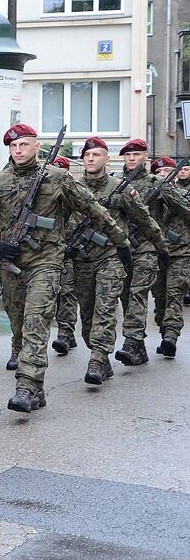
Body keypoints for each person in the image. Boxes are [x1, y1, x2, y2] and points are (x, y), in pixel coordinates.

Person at [0, 124, 130, 413]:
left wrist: (121, 241)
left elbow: (92, 208)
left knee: (36, 321)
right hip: (11, 265)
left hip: (46, 262)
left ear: (36, 146)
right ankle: (37, 389)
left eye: (24, 145)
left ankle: (27, 386)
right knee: (19, 325)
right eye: (13, 146)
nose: (18, 151)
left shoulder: (57, 178)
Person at [70, 137, 166, 384]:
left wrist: (161, 247)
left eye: (96, 154)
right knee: (88, 315)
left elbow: (144, 219)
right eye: (87, 155)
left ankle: (98, 359)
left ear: (106, 159)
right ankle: (101, 356)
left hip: (111, 257)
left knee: (106, 307)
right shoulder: (72, 188)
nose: (91, 159)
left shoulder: (121, 187)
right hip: (82, 259)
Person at [115, 140, 190, 365]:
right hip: (124, 248)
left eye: (136, 154)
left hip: (151, 248)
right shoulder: (115, 184)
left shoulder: (157, 184)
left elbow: (184, 209)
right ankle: (139, 347)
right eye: (128, 155)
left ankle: (155, 337)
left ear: (145, 157)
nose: (131, 158)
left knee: (149, 293)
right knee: (127, 296)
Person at [151, 157, 190, 357]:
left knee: (174, 294)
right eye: (159, 172)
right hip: (156, 253)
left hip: (181, 253)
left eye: (167, 171)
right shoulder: (149, 198)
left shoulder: (183, 194)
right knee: (160, 299)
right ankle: (164, 333)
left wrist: (170, 195)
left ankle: (171, 336)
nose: (163, 175)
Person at [49, 156, 79, 356]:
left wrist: (71, 242)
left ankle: (65, 333)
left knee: (67, 291)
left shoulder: (73, 191)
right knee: (54, 293)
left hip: (69, 248)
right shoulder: (45, 191)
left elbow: (81, 216)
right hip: (48, 250)